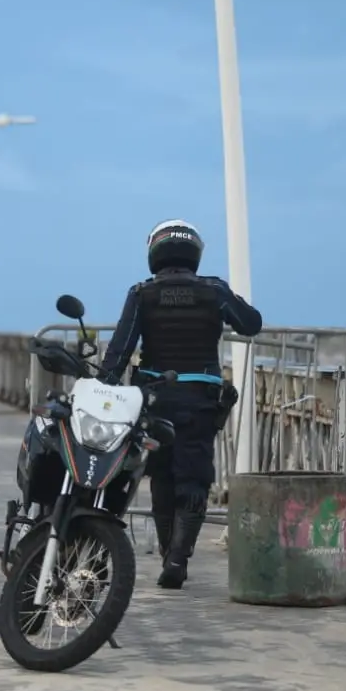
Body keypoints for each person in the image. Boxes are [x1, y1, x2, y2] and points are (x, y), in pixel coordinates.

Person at [98, 219, 262, 589]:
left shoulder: (142, 293)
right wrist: (226, 299)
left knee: (162, 478)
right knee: (195, 477)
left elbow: (120, 352)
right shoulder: (214, 291)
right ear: (195, 252)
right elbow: (250, 324)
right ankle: (178, 559)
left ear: (155, 252)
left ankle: (168, 552)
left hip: (155, 401)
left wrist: (102, 388)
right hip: (200, 401)